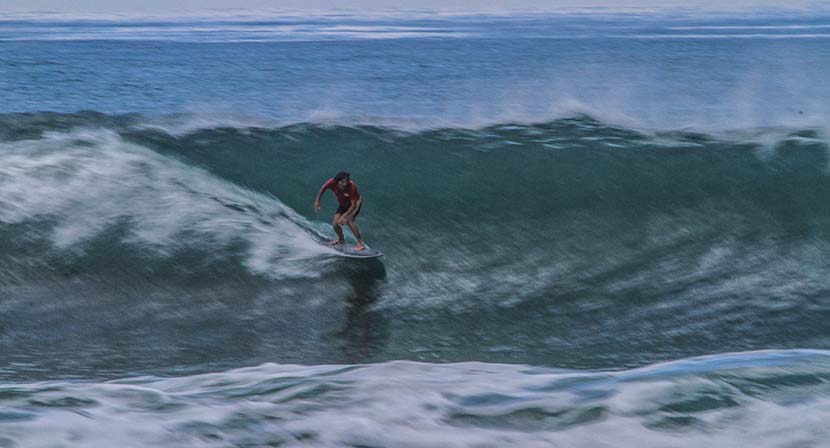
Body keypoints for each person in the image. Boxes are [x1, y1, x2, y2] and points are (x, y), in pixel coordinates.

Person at [314, 171, 366, 251]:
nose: (346, 183)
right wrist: (318, 201)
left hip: (355, 204)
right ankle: (341, 240)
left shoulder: (352, 187)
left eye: (347, 181)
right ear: (338, 181)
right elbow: (323, 188)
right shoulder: (331, 182)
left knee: (349, 220)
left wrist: (344, 216)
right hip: (343, 204)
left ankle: (360, 243)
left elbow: (353, 205)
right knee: (335, 224)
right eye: (343, 182)